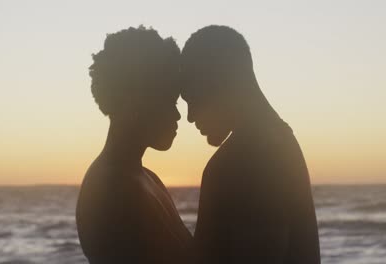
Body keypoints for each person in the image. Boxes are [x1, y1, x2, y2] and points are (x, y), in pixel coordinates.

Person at [180, 25, 321, 263]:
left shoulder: (234, 165)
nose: (190, 116)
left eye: (193, 97)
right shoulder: (281, 143)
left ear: (221, 83)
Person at [76, 26, 192, 264]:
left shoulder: (146, 177)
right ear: (136, 102)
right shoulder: (111, 190)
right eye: (169, 102)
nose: (178, 116)